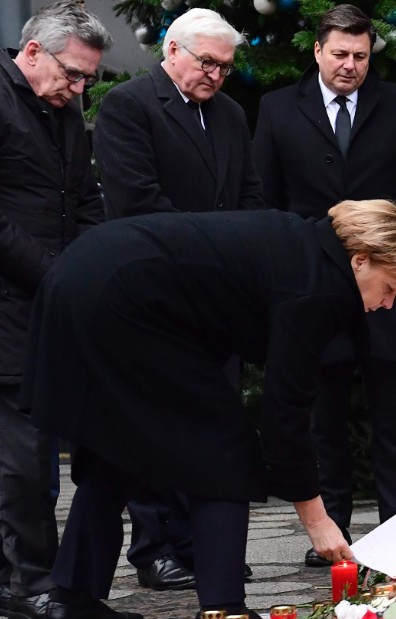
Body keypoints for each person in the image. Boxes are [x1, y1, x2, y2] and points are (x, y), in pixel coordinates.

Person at [22, 200, 396, 619]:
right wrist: (318, 520)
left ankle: (71, 601)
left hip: (86, 276)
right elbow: (285, 411)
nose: (387, 303)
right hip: (123, 299)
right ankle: (223, 610)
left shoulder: (307, 248)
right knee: (226, 453)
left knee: (117, 454)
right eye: (390, 288)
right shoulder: (318, 287)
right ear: (360, 261)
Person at [253, 3, 396, 566]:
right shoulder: (277, 109)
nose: (350, 65)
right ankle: (331, 532)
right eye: (339, 54)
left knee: (393, 418)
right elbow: (265, 198)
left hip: (386, 289)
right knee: (323, 419)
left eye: (360, 56)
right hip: (312, 288)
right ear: (317, 51)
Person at [0, 2, 110, 618]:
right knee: (29, 446)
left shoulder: (63, 109)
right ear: (32, 51)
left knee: (18, 446)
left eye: (86, 78)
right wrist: (56, 273)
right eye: (71, 73)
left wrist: (98, 266)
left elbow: (82, 200)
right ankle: (34, 584)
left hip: (43, 297)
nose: (78, 88)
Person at [93, 6, 264, 591]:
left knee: (215, 421)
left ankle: (204, 543)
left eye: (225, 67)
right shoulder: (129, 105)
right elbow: (136, 200)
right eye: (207, 63)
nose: (216, 75)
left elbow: (248, 195)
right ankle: (156, 546)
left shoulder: (233, 115)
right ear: (171, 50)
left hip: (217, 297)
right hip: (156, 291)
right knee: (157, 425)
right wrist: (210, 254)